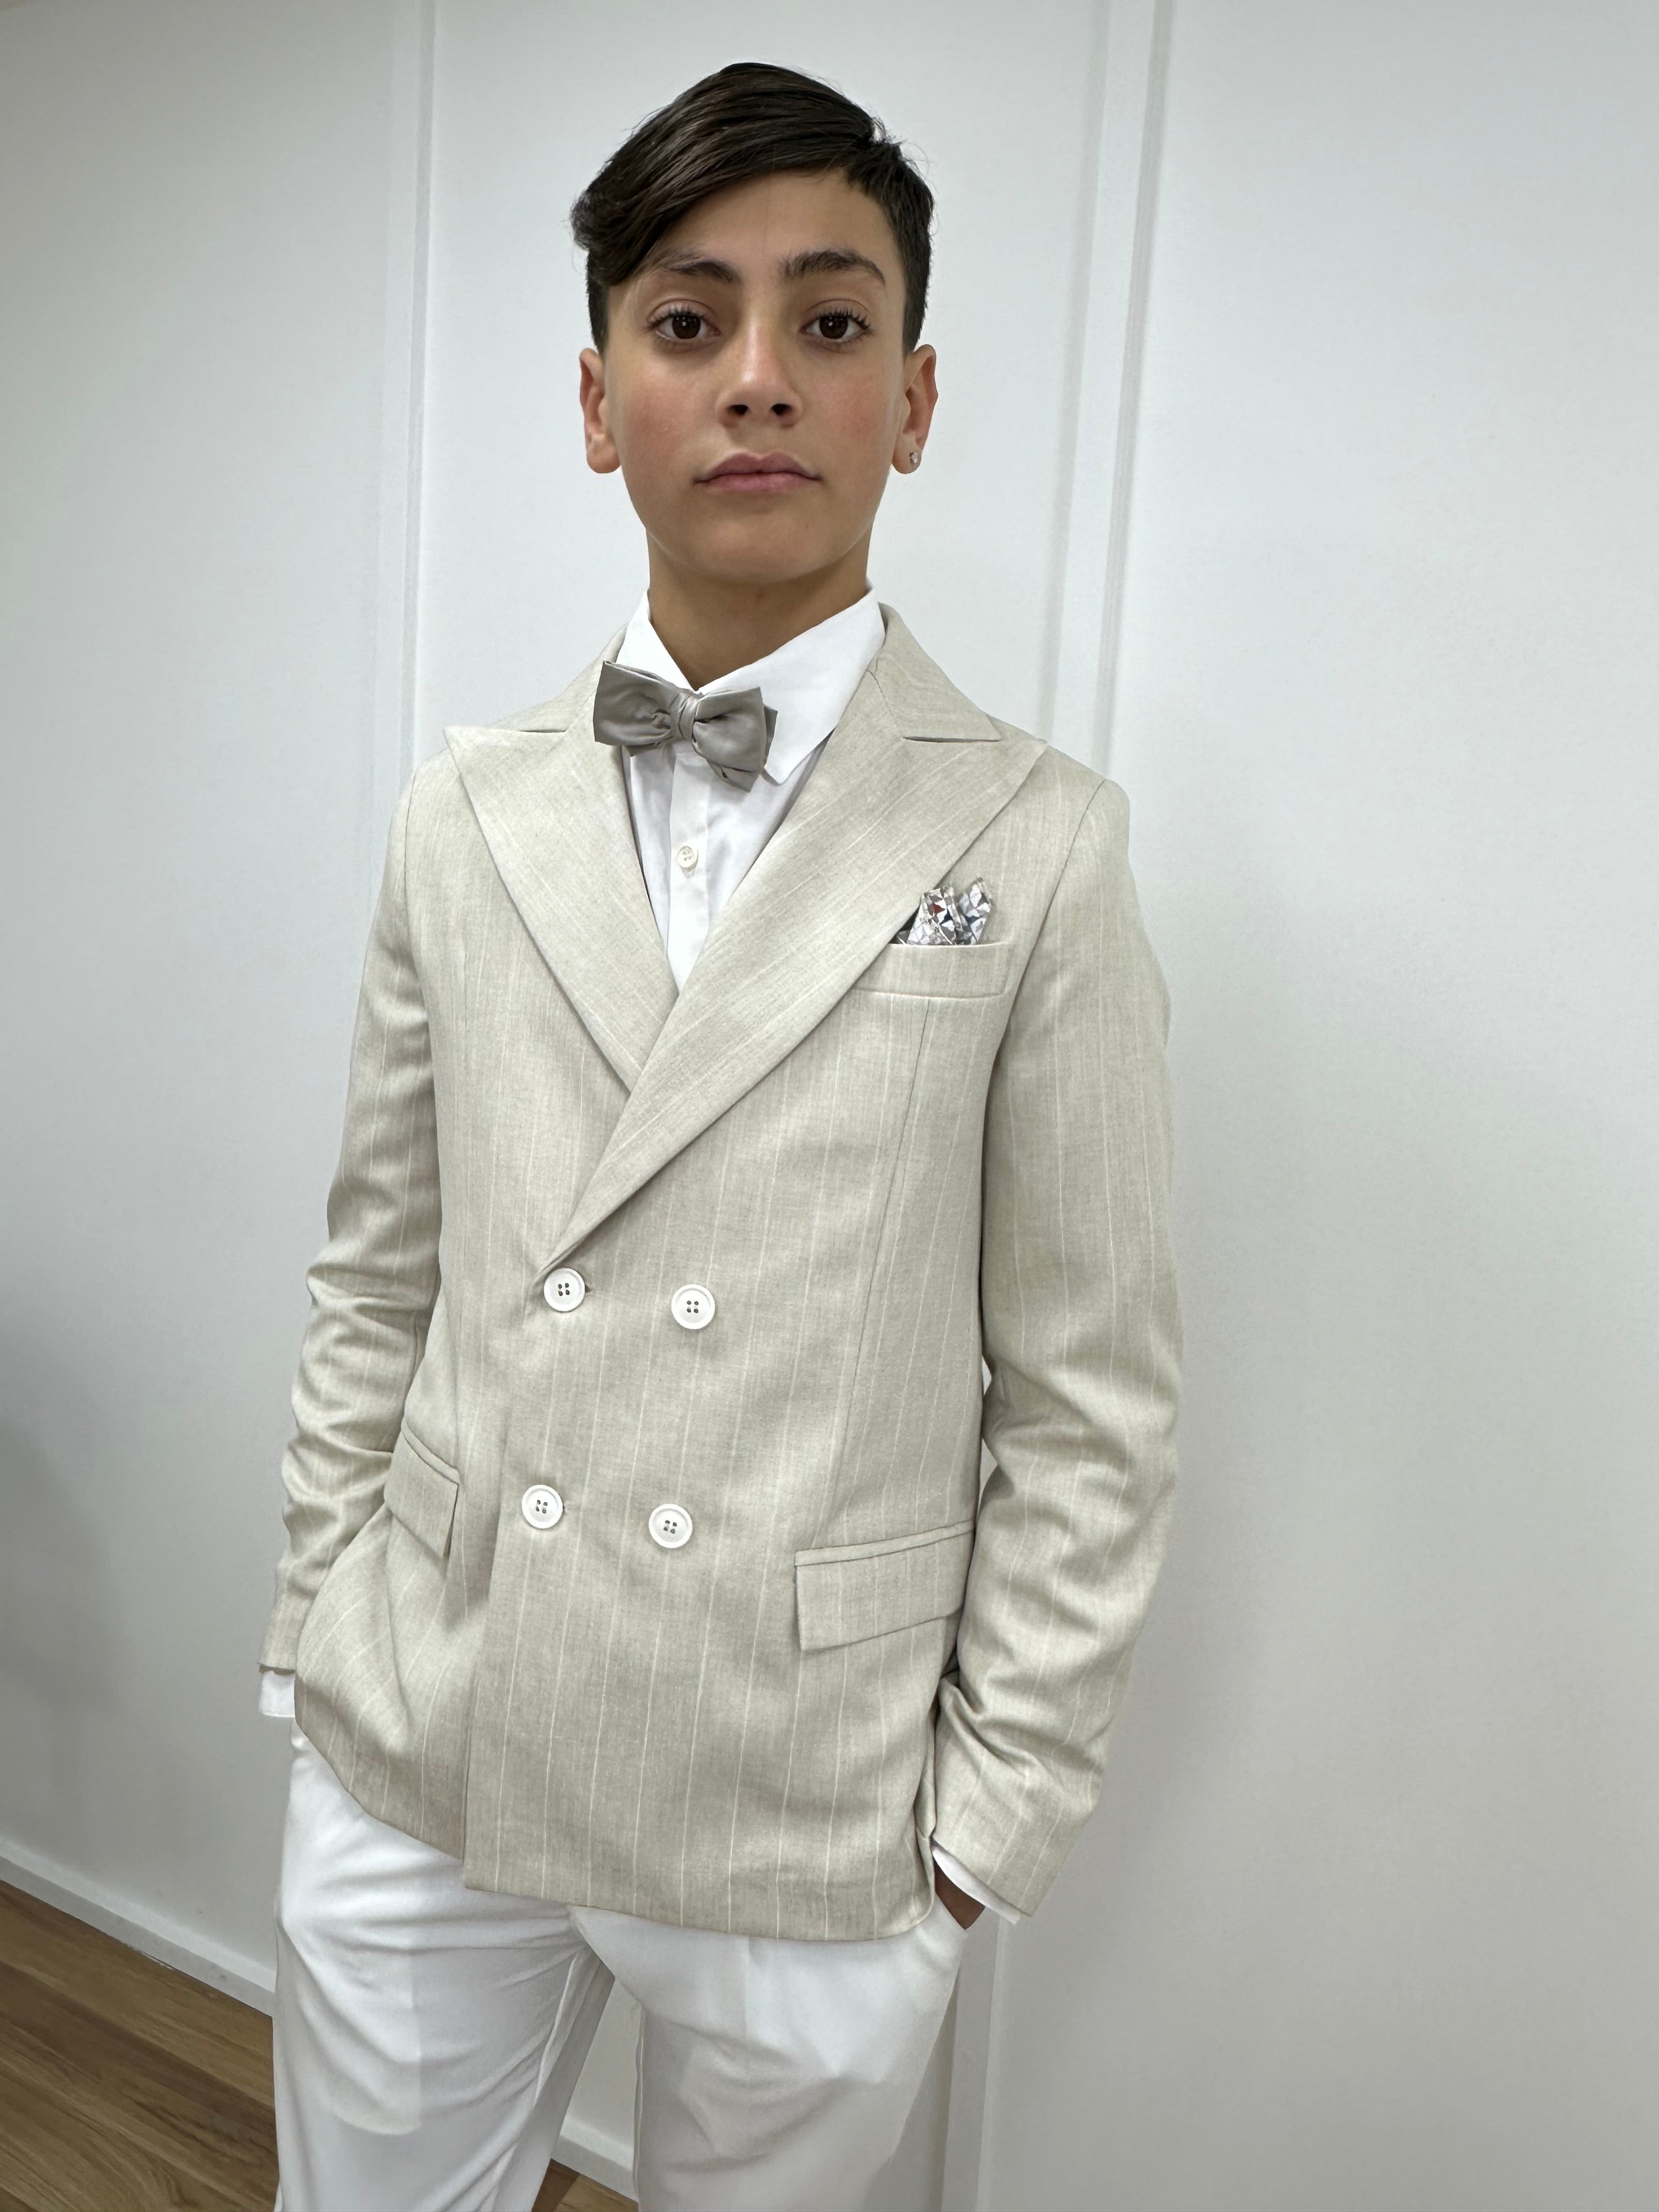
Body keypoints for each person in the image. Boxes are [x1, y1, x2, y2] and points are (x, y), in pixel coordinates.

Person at [257, 59, 1181, 2212]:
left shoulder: (1038, 845)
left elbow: (1092, 1395)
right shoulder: (466, 810)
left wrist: (984, 1829)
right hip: (434, 1730)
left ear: (912, 400)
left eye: (830, 320)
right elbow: (377, 1271)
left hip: (812, 1796)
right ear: (602, 402)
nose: (759, 374)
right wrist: (318, 1640)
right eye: (688, 319)